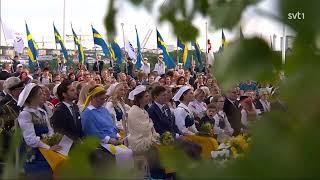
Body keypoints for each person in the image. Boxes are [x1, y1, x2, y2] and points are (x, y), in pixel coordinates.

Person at [17, 83, 61, 178]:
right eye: (40, 94)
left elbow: (50, 130)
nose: (44, 95)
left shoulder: (43, 112)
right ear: (32, 97)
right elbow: (30, 139)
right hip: (34, 154)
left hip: (47, 151)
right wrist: (48, 147)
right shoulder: (25, 114)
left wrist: (53, 141)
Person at [127, 85, 159, 153]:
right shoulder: (135, 111)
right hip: (139, 142)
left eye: (148, 95)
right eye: (146, 96)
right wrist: (150, 123)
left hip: (147, 138)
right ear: (139, 99)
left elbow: (150, 129)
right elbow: (143, 130)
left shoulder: (143, 110)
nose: (149, 98)